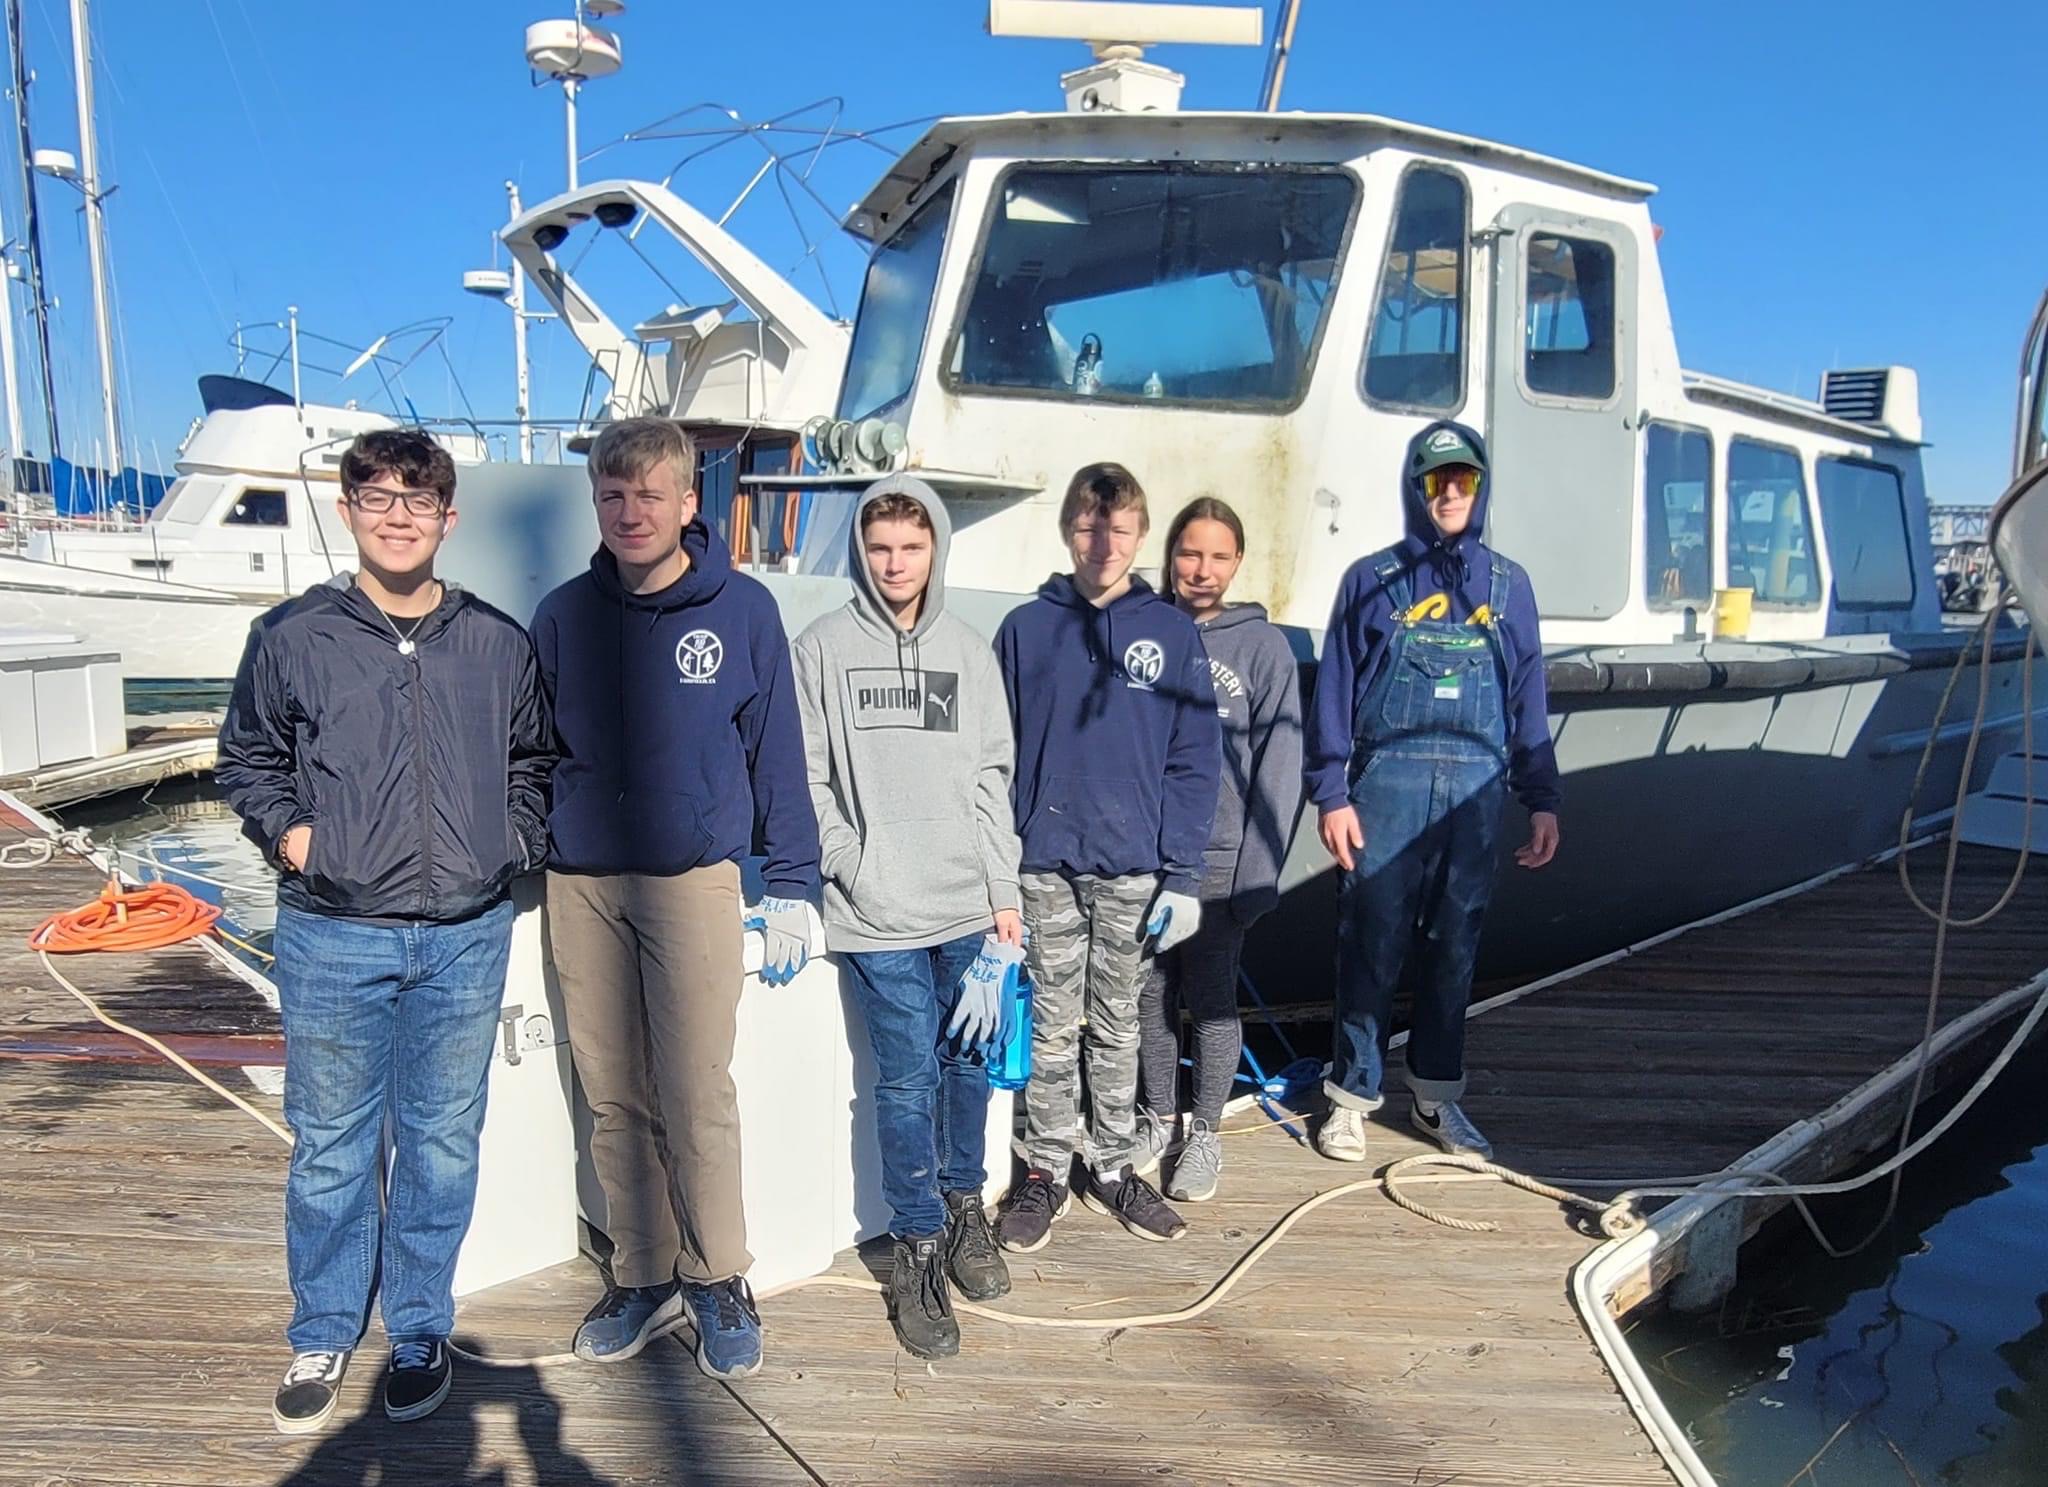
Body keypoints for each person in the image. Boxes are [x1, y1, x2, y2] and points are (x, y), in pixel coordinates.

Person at [217, 429, 554, 1434]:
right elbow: (248, 758)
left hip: (464, 929)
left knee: (442, 1142)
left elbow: (535, 759)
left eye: (419, 499)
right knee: (330, 1143)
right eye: (377, 497)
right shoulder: (291, 636)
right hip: (334, 931)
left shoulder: (496, 641)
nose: (398, 515)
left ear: (450, 517)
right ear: (347, 509)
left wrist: (510, 842)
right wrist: (291, 836)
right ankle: (323, 1321)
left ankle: (417, 1322)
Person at [529, 417, 819, 1381]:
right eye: (612, 496)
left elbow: (777, 756)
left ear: (690, 502)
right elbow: (531, 758)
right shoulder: (564, 616)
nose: (630, 513)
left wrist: (793, 883)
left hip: (695, 880)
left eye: (650, 494)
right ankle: (643, 1273)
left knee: (698, 1089)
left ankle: (716, 1274)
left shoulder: (742, 611)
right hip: (583, 884)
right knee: (612, 1092)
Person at [791, 475, 1024, 1360]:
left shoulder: (968, 650)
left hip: (966, 906)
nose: (896, 563)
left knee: (967, 1066)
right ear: (862, 549)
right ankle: (917, 1246)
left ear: (936, 551)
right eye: (881, 547)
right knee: (905, 1080)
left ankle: (968, 1205)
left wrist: (1002, 893)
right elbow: (806, 776)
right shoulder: (820, 648)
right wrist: (853, 864)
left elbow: (988, 779)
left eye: (912, 547)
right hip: (876, 914)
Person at [1304, 420, 1561, 1167]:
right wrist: (1330, 793)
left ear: (1480, 488)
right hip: (1385, 786)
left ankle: (1436, 1095)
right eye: (1436, 478)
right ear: (1415, 487)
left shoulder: (1510, 587)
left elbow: (1529, 704)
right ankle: (1352, 1096)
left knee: (1455, 947)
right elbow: (1336, 696)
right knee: (1370, 943)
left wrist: (1542, 797)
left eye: (1464, 479)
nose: (1450, 491)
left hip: (1477, 795)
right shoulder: (1370, 579)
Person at [994, 462, 1222, 1253]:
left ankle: (1115, 1163)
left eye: (1119, 528)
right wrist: (999, 864)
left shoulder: (1170, 632)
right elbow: (997, 753)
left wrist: (1182, 876)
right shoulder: (1025, 630)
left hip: (1133, 868)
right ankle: (1045, 1168)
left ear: (1139, 536)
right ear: (1068, 529)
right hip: (1044, 862)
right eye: (1090, 526)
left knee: (1121, 1024)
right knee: (1053, 1025)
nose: (1103, 541)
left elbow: (1195, 760)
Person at [1135, 498, 1303, 1203]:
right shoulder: (1139, 631)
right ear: (1170, 553)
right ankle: (1153, 1116)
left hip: (1218, 861)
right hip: (1140, 856)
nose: (1201, 569)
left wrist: (1257, 877)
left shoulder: (1263, 649)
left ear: (1237, 563)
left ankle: (1204, 1131)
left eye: (1217, 555)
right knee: (1145, 994)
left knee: (1210, 999)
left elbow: (1281, 764)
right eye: (1189, 552)